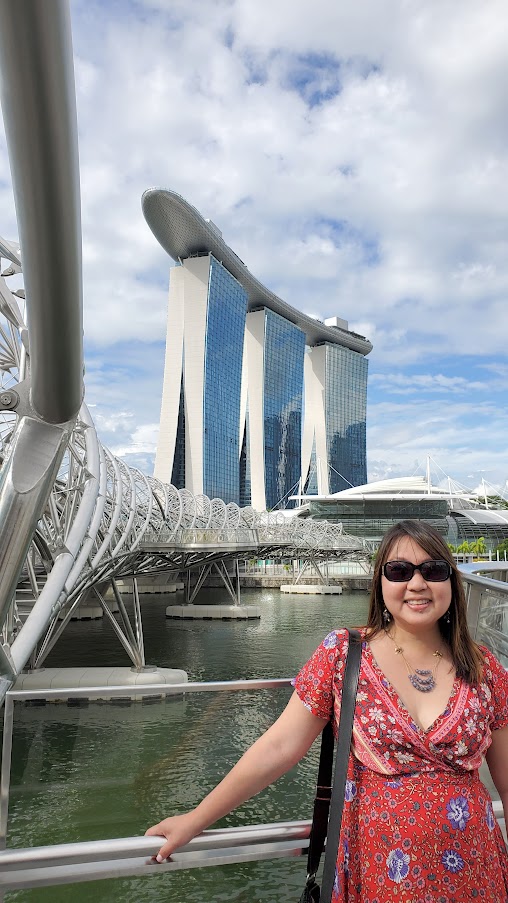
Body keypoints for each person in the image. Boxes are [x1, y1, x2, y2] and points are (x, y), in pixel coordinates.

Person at [146, 519, 508, 902]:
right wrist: (195, 820)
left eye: (433, 570)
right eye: (399, 570)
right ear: (380, 583)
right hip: (377, 873)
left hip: (476, 871)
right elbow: (279, 747)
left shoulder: (484, 668)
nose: (417, 584)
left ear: (451, 580)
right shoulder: (344, 653)